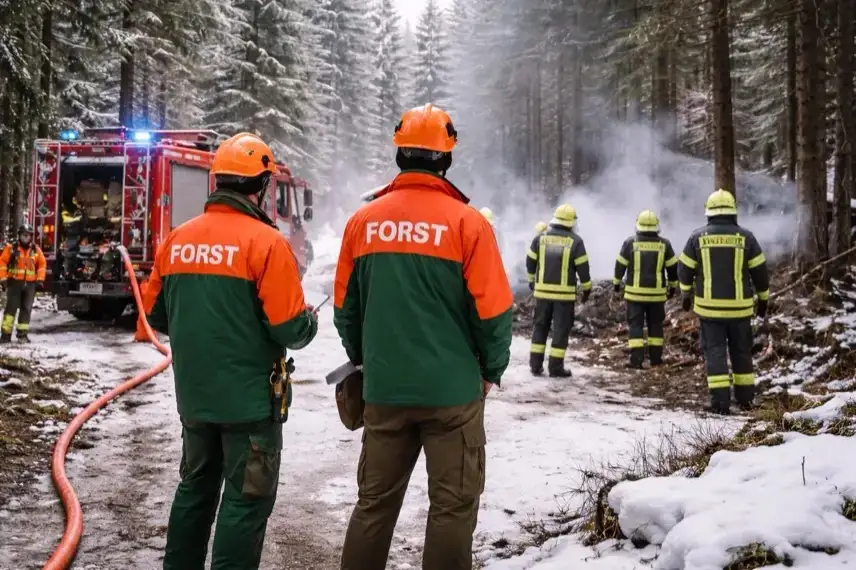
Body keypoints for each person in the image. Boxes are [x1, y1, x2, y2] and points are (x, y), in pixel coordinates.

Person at [334, 103, 513, 570]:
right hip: (453, 394)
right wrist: (490, 369)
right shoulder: (469, 225)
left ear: (399, 156)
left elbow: (344, 310)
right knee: (452, 509)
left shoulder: (363, 223)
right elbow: (493, 313)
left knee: (373, 505)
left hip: (385, 389)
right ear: (446, 158)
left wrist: (366, 358)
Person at [143, 133, 319, 569]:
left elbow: (155, 315)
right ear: (260, 187)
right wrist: (309, 319)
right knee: (245, 501)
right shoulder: (267, 243)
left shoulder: (177, 239)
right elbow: (290, 328)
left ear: (216, 182)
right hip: (250, 407)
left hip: (196, 400)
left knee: (194, 490)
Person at [678, 189, 770, 415]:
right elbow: (760, 272)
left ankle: (720, 403)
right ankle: (746, 399)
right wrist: (763, 300)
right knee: (741, 352)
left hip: (710, 310)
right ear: (733, 212)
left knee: (716, 353)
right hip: (740, 310)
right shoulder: (746, 238)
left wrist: (686, 295)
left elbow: (684, 269)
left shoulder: (697, 238)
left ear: (708, 212)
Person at [525, 204, 592, 377]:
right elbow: (583, 268)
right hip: (564, 297)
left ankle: (535, 365)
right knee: (560, 331)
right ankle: (555, 368)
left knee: (540, 328)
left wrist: (532, 280)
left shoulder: (540, 238)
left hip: (542, 295)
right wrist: (586, 289)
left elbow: (530, 261)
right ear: (571, 222)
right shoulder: (575, 241)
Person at [613, 210, 679, 368]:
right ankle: (656, 359)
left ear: (638, 225)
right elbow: (672, 269)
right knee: (655, 326)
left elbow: (620, 265)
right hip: (656, 296)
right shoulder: (665, 244)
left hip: (635, 296)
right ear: (657, 226)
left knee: (635, 326)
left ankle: (636, 360)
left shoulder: (630, 243)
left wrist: (616, 284)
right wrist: (672, 287)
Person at [0, 224, 46, 343]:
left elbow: (42, 264)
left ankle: (22, 335)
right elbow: (2, 263)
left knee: (26, 309)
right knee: (11, 309)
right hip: (14, 283)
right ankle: (5, 334)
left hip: (30, 284)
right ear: (19, 236)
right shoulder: (11, 248)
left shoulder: (36, 250)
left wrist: (40, 279)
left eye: (28, 235)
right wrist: (3, 279)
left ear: (31, 236)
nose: (26, 237)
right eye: (23, 235)